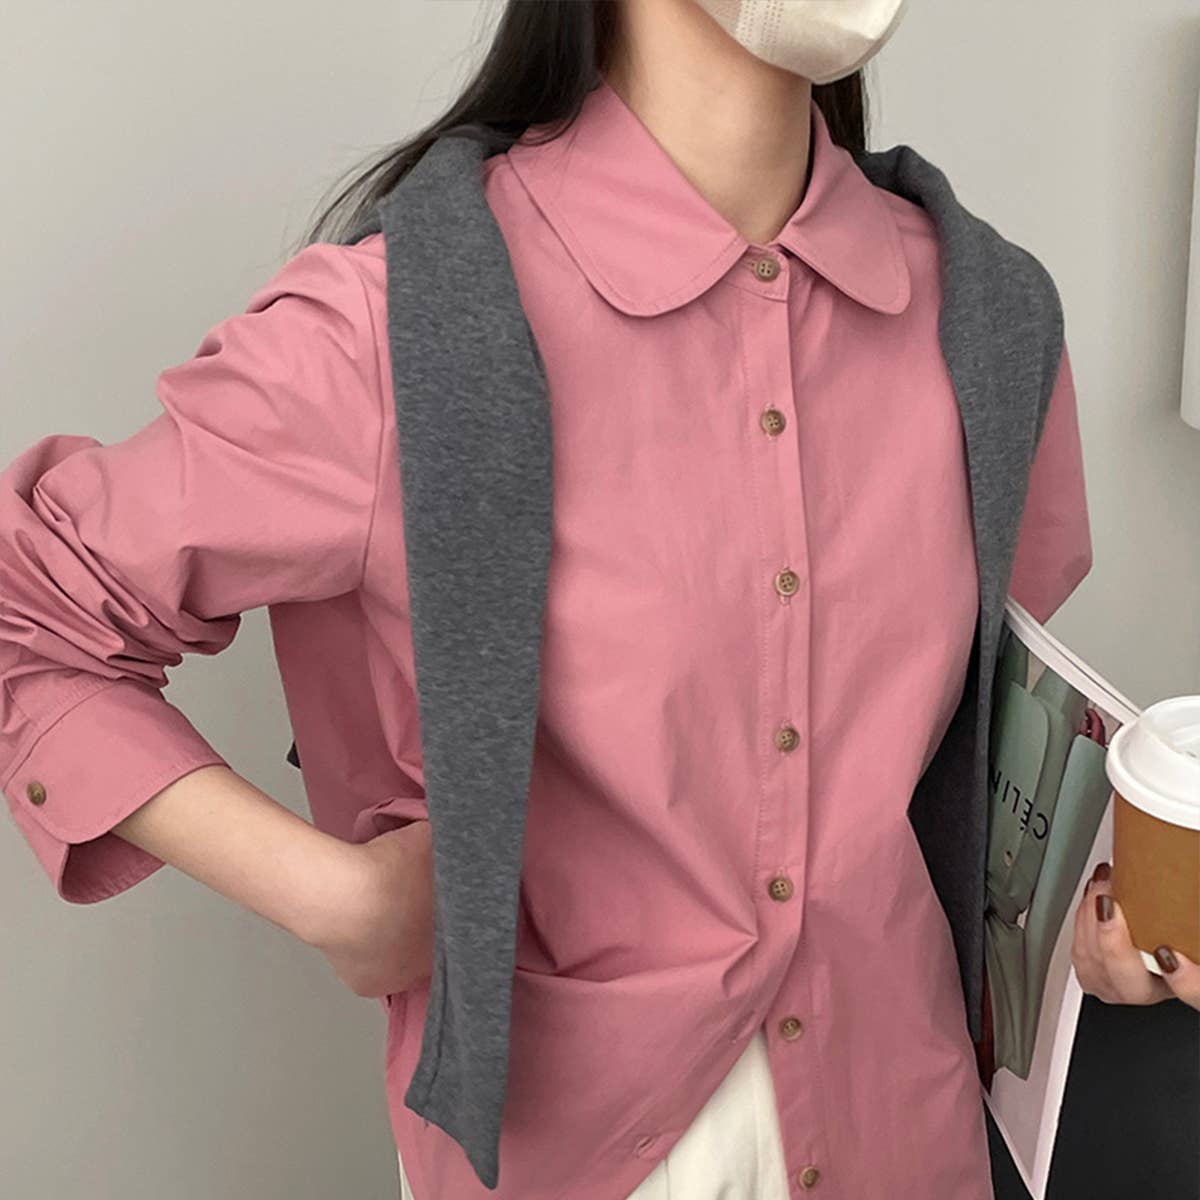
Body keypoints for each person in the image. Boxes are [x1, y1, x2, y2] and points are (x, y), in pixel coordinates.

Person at [2, 1, 1196, 1198]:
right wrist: (340, 901)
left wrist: (1098, 937)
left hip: (913, 1138)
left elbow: (971, 767)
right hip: (573, 1153)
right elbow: (29, 617)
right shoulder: (401, 327)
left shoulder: (990, 321)